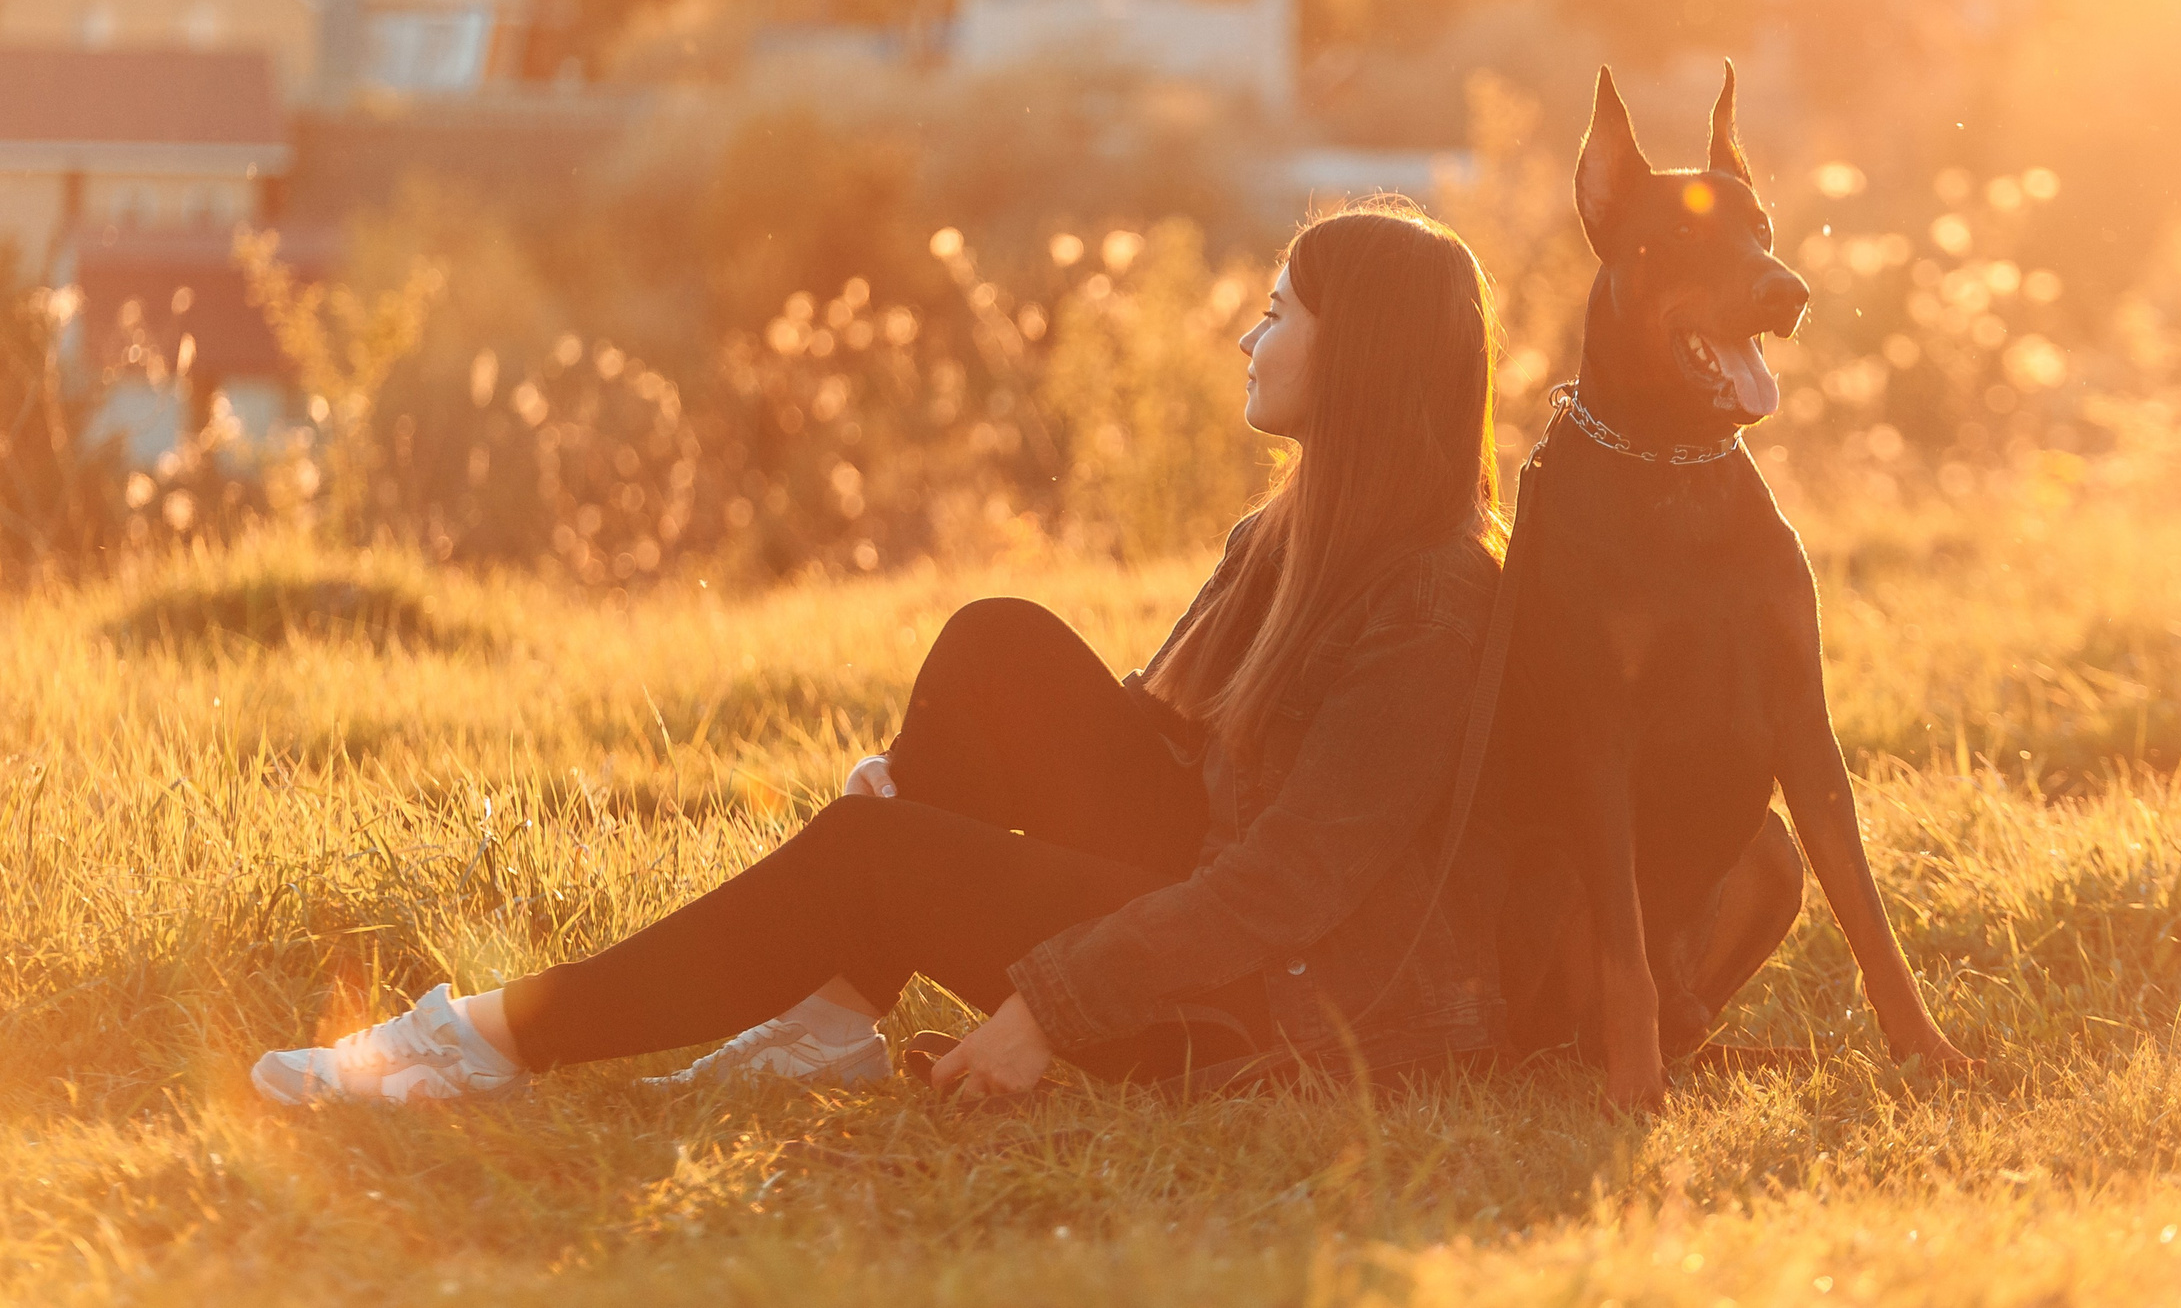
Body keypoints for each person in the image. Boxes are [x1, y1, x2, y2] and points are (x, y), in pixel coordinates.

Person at [252, 200, 1510, 1107]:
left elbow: (1288, 887)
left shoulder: (1436, 602)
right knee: (995, 644)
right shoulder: (1283, 530)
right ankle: (829, 1019)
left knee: (873, 859)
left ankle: (483, 1041)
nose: (1248, 336)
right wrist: (930, 773)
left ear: (1360, 358)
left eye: (1280, 313)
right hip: (1199, 897)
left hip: (1261, 1004)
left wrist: (1051, 1008)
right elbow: (1156, 738)